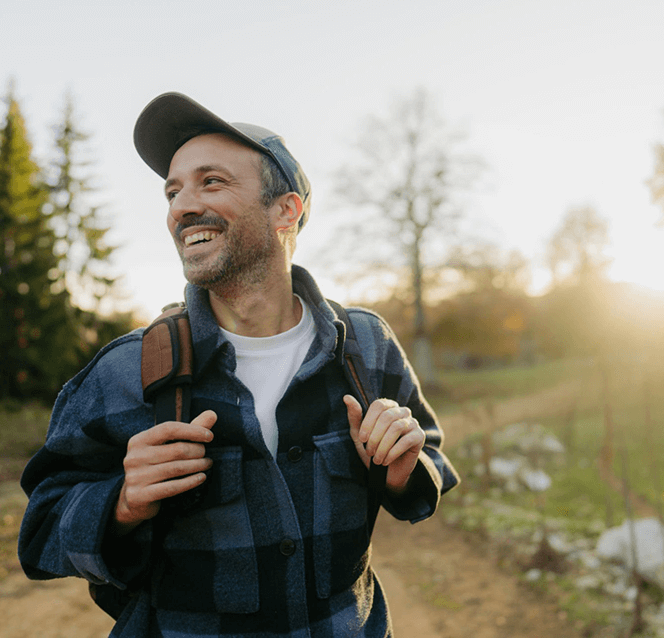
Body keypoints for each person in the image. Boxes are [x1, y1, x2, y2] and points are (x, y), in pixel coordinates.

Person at [19, 92, 459, 638]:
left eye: (211, 182)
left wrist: (403, 472)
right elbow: (40, 531)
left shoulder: (365, 346)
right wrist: (122, 503)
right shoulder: (125, 369)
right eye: (172, 190)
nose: (181, 206)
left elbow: (432, 456)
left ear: (285, 210)